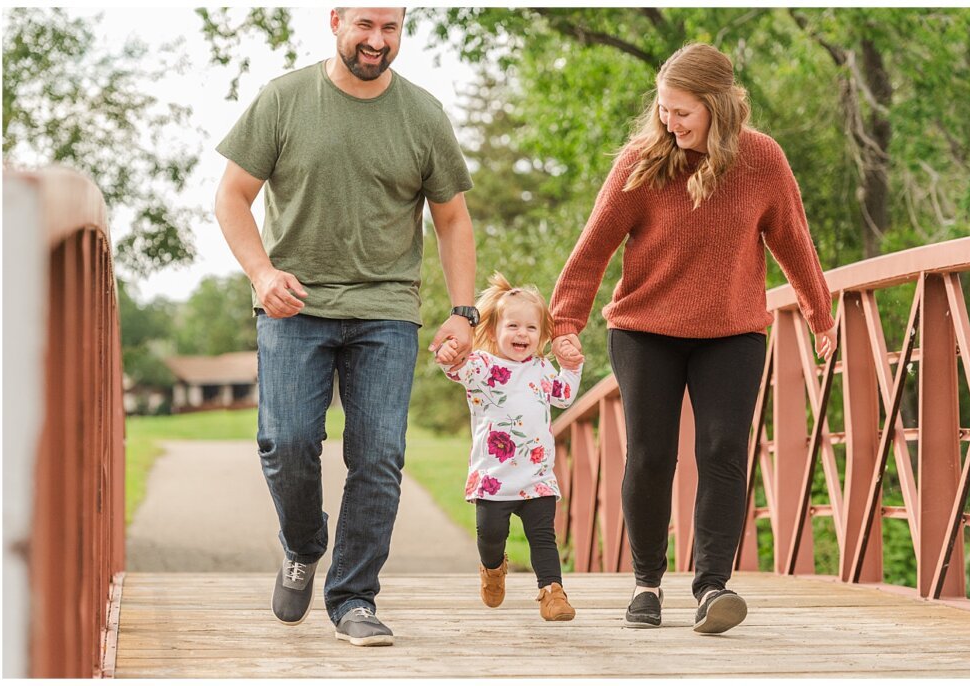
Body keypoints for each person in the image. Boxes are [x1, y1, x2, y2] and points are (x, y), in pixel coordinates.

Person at [550, 42, 837, 634]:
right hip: (644, 329)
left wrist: (819, 312)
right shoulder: (642, 160)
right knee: (652, 455)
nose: (669, 122)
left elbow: (793, 239)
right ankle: (647, 584)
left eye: (682, 111)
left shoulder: (762, 160)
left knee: (724, 451)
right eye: (663, 109)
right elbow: (594, 245)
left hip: (731, 332)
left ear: (718, 106)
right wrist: (565, 322)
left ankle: (712, 588)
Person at [214, 7, 478, 647]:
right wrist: (261, 274)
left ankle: (355, 596)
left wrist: (464, 311)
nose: (376, 41)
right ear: (335, 20)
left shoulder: (422, 115)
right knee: (288, 442)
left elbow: (452, 219)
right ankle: (304, 546)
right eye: (365, 25)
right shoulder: (284, 99)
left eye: (390, 29)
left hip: (387, 308)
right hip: (293, 304)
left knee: (379, 455)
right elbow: (230, 196)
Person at [435, 273, 583, 621]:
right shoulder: (484, 366)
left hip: (537, 477)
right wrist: (449, 352)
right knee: (491, 536)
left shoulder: (543, 368)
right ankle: (492, 569)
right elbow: (455, 369)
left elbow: (563, 396)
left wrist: (571, 367)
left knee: (543, 537)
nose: (522, 334)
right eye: (513, 326)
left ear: (542, 335)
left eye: (531, 328)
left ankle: (552, 593)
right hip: (494, 478)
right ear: (494, 331)